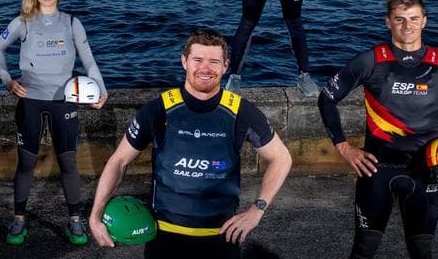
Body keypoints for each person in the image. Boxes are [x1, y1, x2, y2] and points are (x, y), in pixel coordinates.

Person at [88, 29, 292, 258]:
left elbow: (281, 158)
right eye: (198, 60)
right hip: (165, 235)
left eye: (214, 61)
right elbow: (119, 160)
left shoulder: (241, 111)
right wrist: (95, 215)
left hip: (222, 235)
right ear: (184, 62)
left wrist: (257, 210)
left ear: (225, 66)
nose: (205, 68)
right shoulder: (157, 110)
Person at [318, 0, 438, 259]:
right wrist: (344, 147)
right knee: (363, 250)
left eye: (414, 18)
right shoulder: (370, 61)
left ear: (425, 21)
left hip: (425, 173)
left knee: (421, 251)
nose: (407, 26)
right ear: (388, 22)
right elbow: (327, 99)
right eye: (399, 19)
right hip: (376, 171)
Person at [0, 0, 107, 245]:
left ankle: (75, 222)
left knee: (68, 162)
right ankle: (19, 220)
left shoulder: (71, 23)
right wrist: (7, 81)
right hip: (30, 101)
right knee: (26, 163)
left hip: (62, 101)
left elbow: (89, 60)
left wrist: (100, 89)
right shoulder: (22, 21)